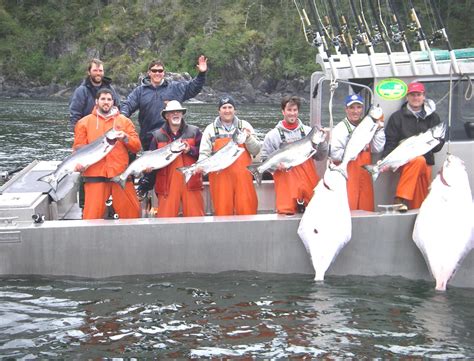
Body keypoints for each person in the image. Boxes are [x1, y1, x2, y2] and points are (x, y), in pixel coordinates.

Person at [73, 88, 141, 219]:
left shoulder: (124, 121)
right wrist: (78, 165)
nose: (106, 102)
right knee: (91, 218)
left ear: (113, 102)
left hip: (120, 176)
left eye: (109, 99)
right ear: (96, 101)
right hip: (94, 176)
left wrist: (125, 138)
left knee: (132, 215)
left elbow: (136, 147)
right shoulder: (83, 122)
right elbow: (78, 148)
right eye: (103, 99)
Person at [120, 55, 208, 150]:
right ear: (149, 73)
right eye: (154, 71)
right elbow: (128, 105)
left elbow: (193, 87)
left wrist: (201, 74)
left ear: (164, 73)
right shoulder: (139, 91)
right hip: (148, 139)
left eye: (160, 71)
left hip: (171, 137)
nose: (157, 73)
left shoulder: (175, 88)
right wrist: (121, 117)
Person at [261, 96, 328, 215]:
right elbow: (265, 159)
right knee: (285, 218)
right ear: (283, 111)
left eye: (295, 110)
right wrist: (276, 166)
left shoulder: (308, 132)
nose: (292, 113)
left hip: (309, 185)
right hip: (286, 188)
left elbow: (320, 157)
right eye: (289, 110)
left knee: (314, 215)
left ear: (298, 111)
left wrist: (322, 141)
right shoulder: (272, 136)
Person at [383, 82, 445, 211]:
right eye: (412, 95)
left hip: (426, 164)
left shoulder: (433, 117)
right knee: (418, 159)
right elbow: (391, 141)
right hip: (404, 162)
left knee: (421, 205)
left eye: (418, 94)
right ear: (407, 97)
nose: (415, 98)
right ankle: (399, 198)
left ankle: (415, 221)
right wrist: (384, 160)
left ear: (424, 96)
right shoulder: (397, 117)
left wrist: (437, 140)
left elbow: (437, 148)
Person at [137, 100, 204, 217]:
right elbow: (151, 160)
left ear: (182, 114)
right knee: (165, 223)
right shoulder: (157, 136)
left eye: (178, 112)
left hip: (191, 183)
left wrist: (191, 150)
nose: (175, 114)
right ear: (166, 116)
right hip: (167, 187)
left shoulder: (195, 132)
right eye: (172, 112)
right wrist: (147, 173)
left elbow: (205, 154)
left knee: (196, 221)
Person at [199, 95, 261, 216]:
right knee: (222, 211)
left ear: (235, 110)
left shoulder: (245, 126)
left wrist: (248, 138)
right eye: (224, 107)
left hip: (243, 178)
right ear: (219, 111)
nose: (227, 110)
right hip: (219, 177)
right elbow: (204, 153)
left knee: (247, 209)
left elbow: (256, 150)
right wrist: (201, 166)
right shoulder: (210, 129)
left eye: (230, 107)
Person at [330, 94, 385, 211]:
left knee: (367, 209)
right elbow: (334, 153)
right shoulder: (340, 129)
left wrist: (379, 130)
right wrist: (352, 153)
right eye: (352, 108)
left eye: (358, 107)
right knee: (348, 208)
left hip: (365, 174)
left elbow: (377, 148)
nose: (355, 111)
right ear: (346, 109)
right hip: (348, 175)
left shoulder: (369, 123)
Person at [69, 58, 121, 126]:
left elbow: (118, 109)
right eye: (95, 70)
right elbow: (75, 115)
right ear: (89, 72)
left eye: (100, 71)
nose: (98, 73)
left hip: (108, 128)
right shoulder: (81, 91)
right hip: (87, 128)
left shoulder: (110, 89)